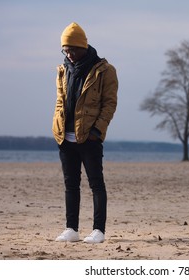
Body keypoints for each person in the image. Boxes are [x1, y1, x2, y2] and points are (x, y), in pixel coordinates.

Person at [52, 22, 118, 243]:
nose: (69, 54)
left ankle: (98, 230)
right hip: (66, 138)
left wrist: (97, 131)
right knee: (71, 184)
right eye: (65, 50)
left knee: (96, 184)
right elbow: (60, 102)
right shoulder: (62, 70)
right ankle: (72, 229)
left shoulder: (104, 70)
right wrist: (57, 129)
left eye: (72, 49)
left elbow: (109, 105)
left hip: (90, 137)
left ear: (82, 46)